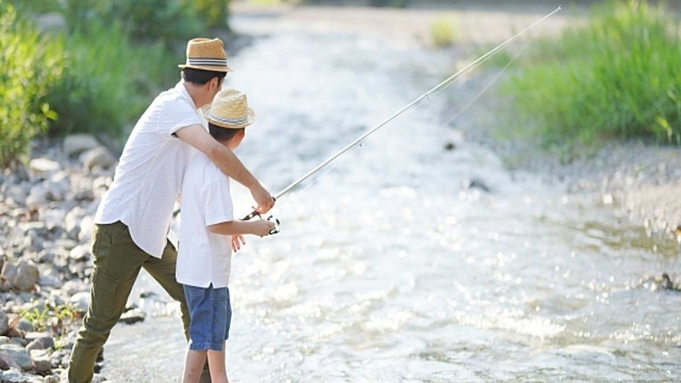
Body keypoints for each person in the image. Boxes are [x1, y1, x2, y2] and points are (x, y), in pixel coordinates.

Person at [67, 38, 275, 383]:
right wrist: (255, 187)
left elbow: (188, 192)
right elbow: (215, 152)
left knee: (191, 295)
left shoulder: (185, 117)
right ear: (213, 83)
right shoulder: (173, 108)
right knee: (100, 323)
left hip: (150, 233)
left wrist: (232, 224)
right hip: (122, 229)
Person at [177, 88, 274, 383]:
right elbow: (216, 224)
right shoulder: (217, 174)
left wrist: (232, 228)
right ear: (241, 134)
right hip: (208, 276)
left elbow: (209, 218)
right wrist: (254, 228)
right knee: (203, 340)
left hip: (195, 269)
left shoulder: (198, 161)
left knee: (213, 338)